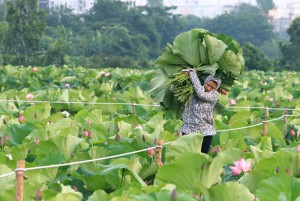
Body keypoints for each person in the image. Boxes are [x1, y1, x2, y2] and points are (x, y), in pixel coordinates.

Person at [180, 69, 221, 154]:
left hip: (205, 131)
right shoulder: (193, 89)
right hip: (188, 128)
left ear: (216, 89)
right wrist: (184, 75)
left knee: (202, 158)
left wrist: (192, 74)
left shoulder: (214, 95)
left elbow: (201, 94)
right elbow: (176, 91)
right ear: (205, 83)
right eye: (208, 85)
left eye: (212, 88)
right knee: (186, 156)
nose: (209, 88)